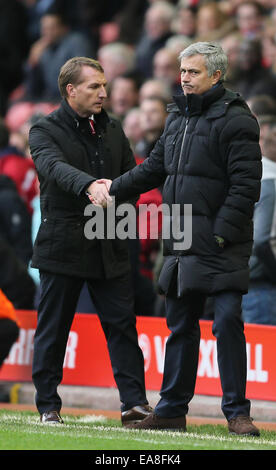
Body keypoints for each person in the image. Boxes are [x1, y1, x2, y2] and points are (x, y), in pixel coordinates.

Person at [96, 42, 262, 436]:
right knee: (180, 326)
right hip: (182, 238)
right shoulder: (176, 117)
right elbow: (154, 168)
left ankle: (237, 413)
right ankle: (171, 409)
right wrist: (113, 188)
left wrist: (220, 236)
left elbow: (245, 188)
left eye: (193, 72)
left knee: (227, 324)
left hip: (222, 244)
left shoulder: (238, 120)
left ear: (217, 76)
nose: (184, 78)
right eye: (182, 71)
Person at [28, 56, 151, 425]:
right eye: (94, 86)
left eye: (103, 85)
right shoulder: (43, 131)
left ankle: (135, 404)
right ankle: (48, 404)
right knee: (54, 328)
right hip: (63, 242)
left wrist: (122, 194)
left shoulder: (112, 129)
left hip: (109, 240)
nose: (103, 92)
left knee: (122, 326)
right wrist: (90, 186)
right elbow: (53, 168)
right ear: (71, 90)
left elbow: (131, 177)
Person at [242, 121, 276, 325]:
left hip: (248, 282)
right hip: (263, 286)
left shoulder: (249, 176)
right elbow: (263, 241)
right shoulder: (270, 181)